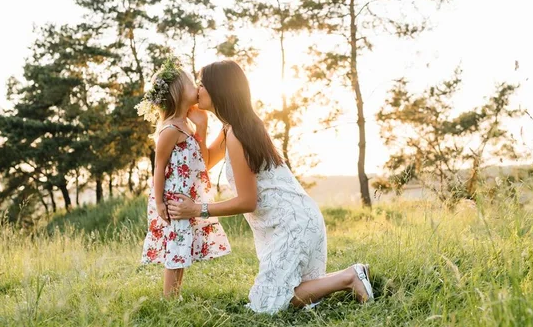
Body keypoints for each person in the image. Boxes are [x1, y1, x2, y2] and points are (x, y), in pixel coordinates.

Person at [167, 60, 373, 313]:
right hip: (295, 220)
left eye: (202, 84)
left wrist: (197, 209)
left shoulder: (237, 135)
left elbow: (247, 201)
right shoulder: (235, 126)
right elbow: (206, 163)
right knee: (288, 294)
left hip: (293, 224)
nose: (197, 90)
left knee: (266, 305)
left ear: (218, 89)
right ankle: (349, 276)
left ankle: (350, 276)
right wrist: (202, 126)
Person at [136, 57, 231, 298]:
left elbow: (202, 160)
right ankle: (169, 299)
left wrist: (202, 126)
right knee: (175, 249)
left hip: (187, 197)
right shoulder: (170, 130)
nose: (198, 89)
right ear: (178, 93)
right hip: (173, 200)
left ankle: (175, 295)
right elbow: (159, 169)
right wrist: (159, 203)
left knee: (182, 246)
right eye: (192, 85)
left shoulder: (187, 125)